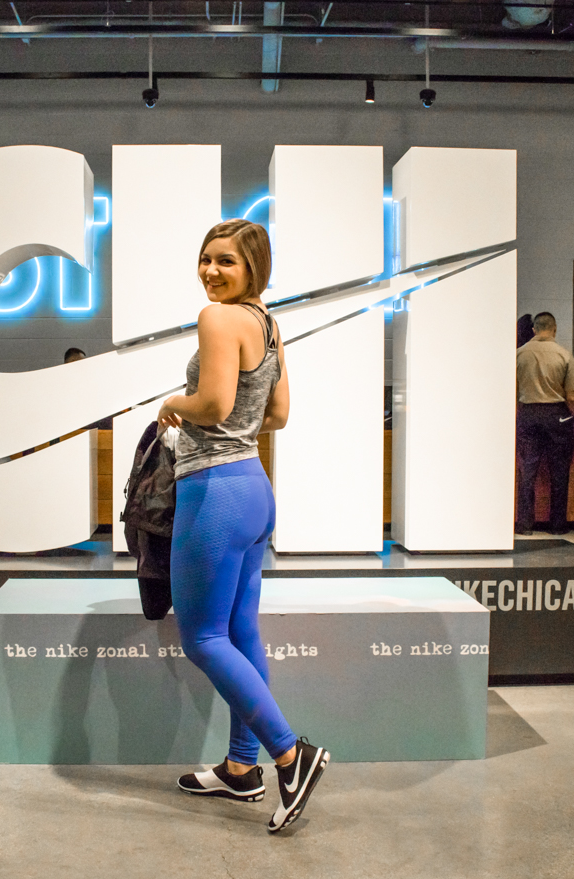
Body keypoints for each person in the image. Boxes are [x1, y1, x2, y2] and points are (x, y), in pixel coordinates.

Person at [157, 219, 329, 834]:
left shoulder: (218, 319)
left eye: (225, 261)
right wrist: (221, 417)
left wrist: (173, 404)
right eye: (205, 258)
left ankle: (289, 754)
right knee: (237, 629)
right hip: (254, 488)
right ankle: (240, 767)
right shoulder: (267, 324)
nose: (210, 271)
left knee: (203, 638)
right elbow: (276, 413)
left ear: (253, 266)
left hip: (214, 493)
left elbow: (214, 405)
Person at [515, 312, 574, 535]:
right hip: (557, 415)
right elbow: (572, 396)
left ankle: (525, 524)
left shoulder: (519, 354)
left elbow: (512, 390)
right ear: (554, 329)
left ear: (534, 330)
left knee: (527, 471)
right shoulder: (564, 355)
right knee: (559, 471)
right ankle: (558, 525)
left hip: (528, 414)